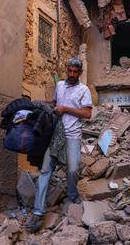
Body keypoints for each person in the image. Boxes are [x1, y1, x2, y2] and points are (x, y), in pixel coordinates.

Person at [26, 57, 92, 232]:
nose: (71, 74)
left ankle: (72, 194)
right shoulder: (60, 85)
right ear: (67, 70)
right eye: (69, 71)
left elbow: (87, 114)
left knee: (72, 169)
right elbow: (55, 103)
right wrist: (40, 104)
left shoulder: (83, 90)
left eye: (75, 72)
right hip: (56, 134)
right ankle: (38, 212)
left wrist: (66, 109)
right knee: (46, 170)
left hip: (73, 135)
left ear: (80, 73)